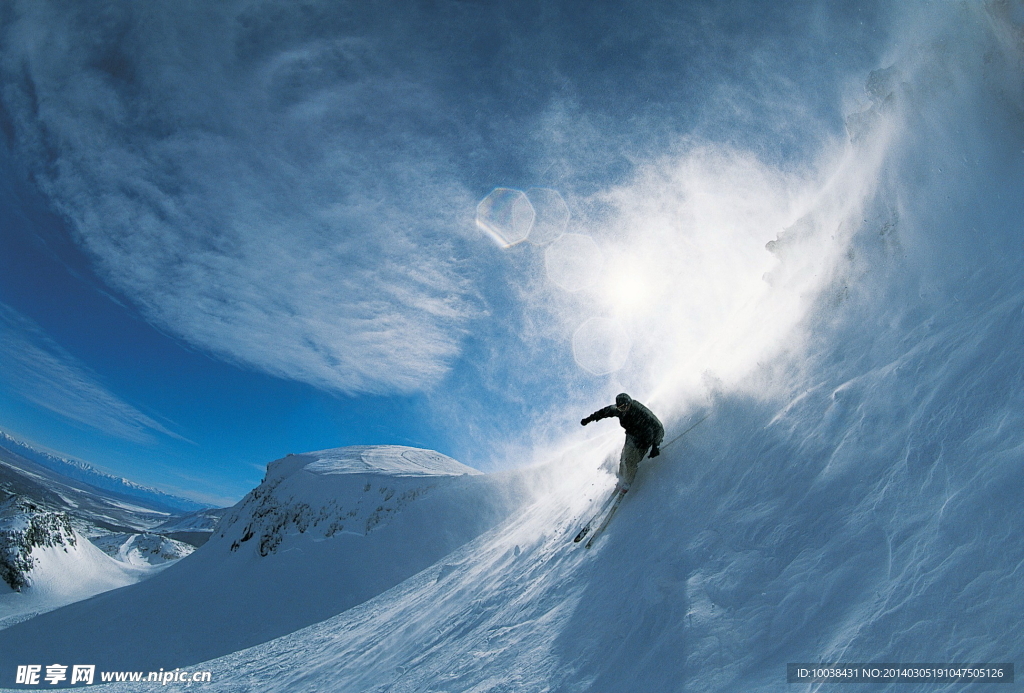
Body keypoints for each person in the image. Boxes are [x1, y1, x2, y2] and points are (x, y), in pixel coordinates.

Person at [581, 393, 664, 490]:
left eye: (624, 407)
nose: (623, 410)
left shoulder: (639, 410)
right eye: (620, 408)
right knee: (623, 459)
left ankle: (628, 482)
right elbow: (603, 412)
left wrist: (655, 446)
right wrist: (588, 419)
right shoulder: (618, 410)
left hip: (645, 438)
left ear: (629, 403)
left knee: (630, 461)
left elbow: (659, 427)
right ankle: (622, 480)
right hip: (631, 437)